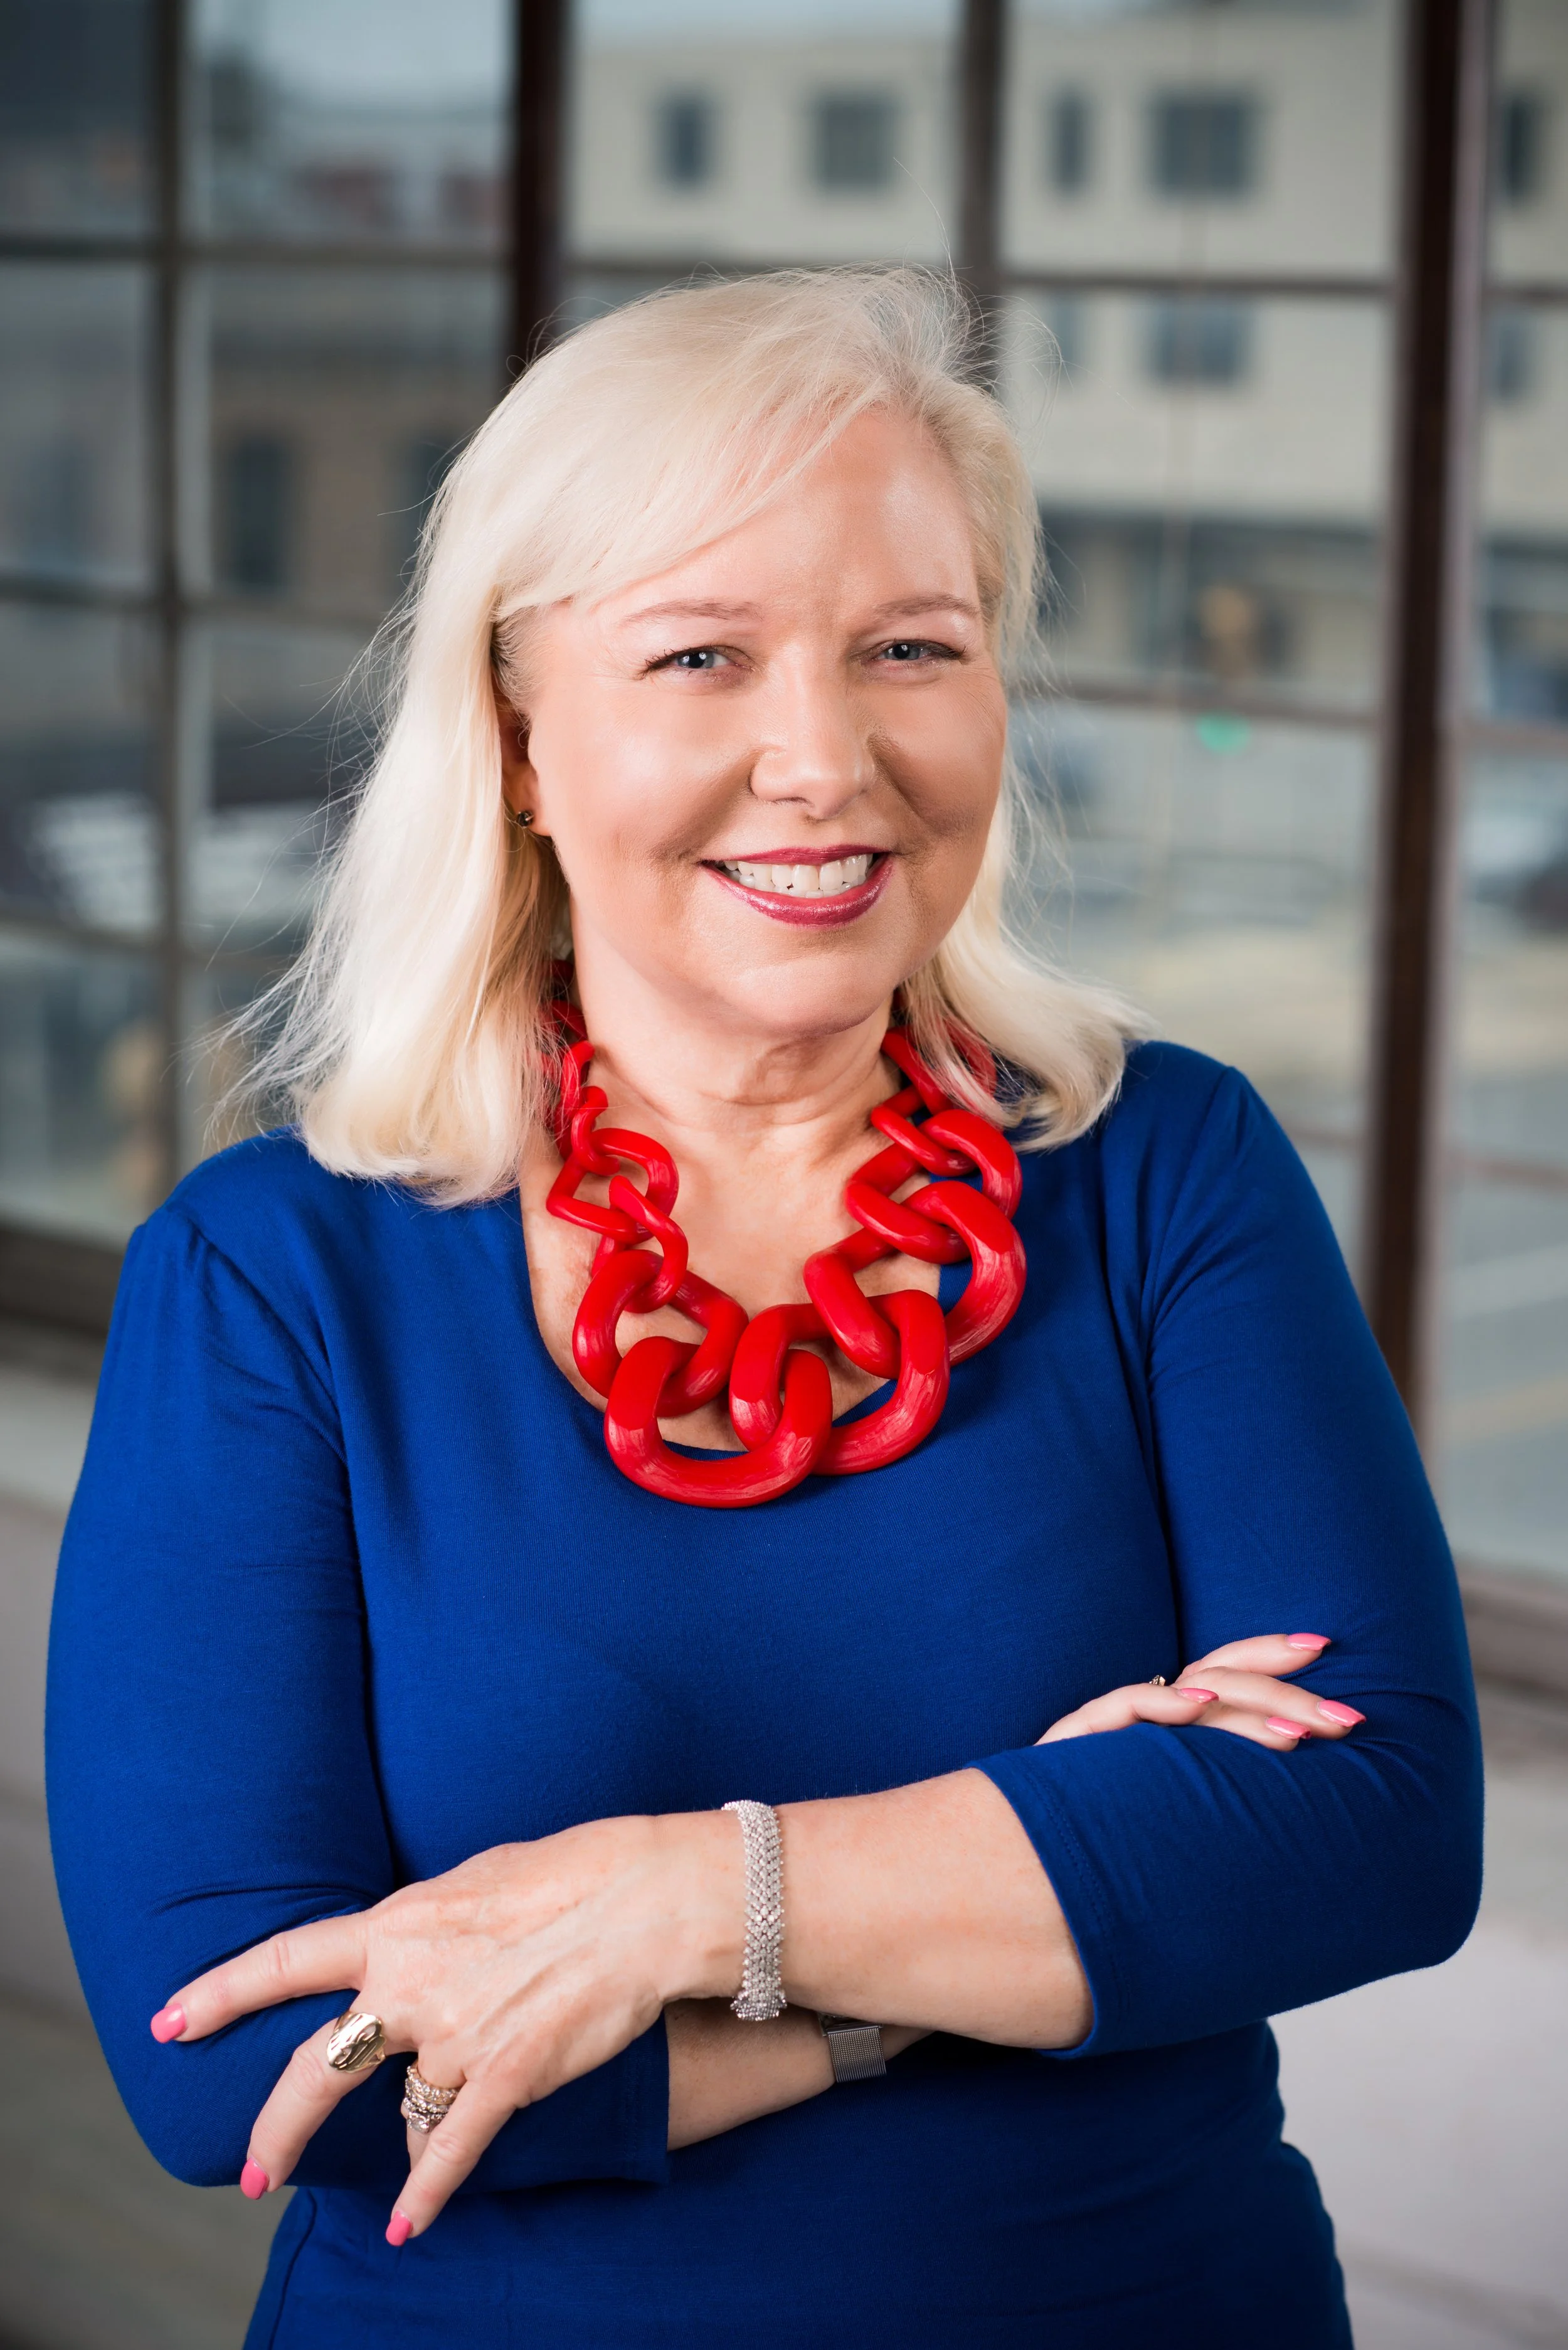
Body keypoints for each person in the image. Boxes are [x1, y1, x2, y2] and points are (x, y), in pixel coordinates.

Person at [47, 270, 1481, 2349]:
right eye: (701, 656)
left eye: (912, 649)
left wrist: (677, 1905)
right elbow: (238, 2068)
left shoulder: (1169, 1165)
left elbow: (1367, 1824)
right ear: (521, 736)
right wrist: (952, 1949)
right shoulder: (277, 1280)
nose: (822, 760)